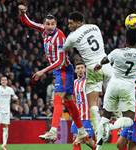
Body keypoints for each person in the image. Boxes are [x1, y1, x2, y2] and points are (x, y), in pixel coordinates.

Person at [18, 5, 88, 144]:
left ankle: (53, 131)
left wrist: (43, 70)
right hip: (58, 70)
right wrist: (22, 13)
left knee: (57, 99)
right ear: (44, 24)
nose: (50, 27)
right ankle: (82, 131)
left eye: (53, 24)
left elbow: (61, 60)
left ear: (56, 24)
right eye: (48, 24)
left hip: (64, 69)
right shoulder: (43, 30)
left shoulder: (60, 37)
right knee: (68, 102)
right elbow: (28, 23)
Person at [93, 30, 136, 150]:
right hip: (127, 87)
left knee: (105, 116)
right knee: (129, 120)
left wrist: (99, 64)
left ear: (125, 40)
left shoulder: (117, 52)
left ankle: (98, 147)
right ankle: (111, 128)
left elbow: (105, 59)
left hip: (113, 85)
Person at [63, 12, 112, 136]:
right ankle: (121, 126)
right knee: (113, 97)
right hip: (106, 64)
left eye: (71, 23)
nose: (69, 26)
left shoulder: (73, 37)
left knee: (93, 103)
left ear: (79, 23)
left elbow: (64, 47)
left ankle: (98, 130)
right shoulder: (95, 27)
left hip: (92, 67)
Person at [72, 61, 96, 150]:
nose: (80, 70)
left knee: (88, 141)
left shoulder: (88, 82)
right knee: (75, 138)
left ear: (85, 70)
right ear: (75, 71)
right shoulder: (74, 83)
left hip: (87, 116)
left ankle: (97, 148)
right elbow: (73, 98)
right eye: (78, 68)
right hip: (77, 116)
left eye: (82, 68)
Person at [0, 76, 18, 150]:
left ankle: (4, 144)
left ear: (7, 81)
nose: (4, 81)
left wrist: (15, 98)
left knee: (5, 126)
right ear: (0, 82)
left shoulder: (10, 89)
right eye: (2, 80)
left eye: (5, 80)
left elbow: (15, 96)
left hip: (6, 111)